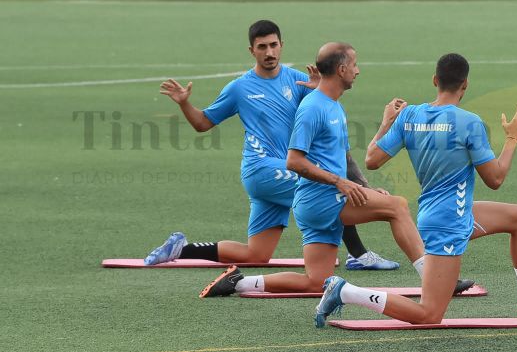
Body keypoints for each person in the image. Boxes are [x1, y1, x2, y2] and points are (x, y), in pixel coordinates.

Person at [314, 53, 517, 327]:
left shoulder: (409, 115)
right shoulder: (469, 123)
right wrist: (512, 138)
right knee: (429, 314)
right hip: (449, 223)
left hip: (446, 213)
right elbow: (495, 179)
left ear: (435, 80)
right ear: (465, 85)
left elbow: (371, 159)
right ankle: (346, 292)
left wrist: (386, 124)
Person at [199, 43, 472, 298]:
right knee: (397, 207)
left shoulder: (333, 105)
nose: (357, 70)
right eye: (354, 64)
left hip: (317, 204)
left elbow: (345, 160)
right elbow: (294, 161)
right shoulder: (313, 107)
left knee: (316, 282)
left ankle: (239, 282)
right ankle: (437, 281)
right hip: (321, 199)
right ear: (341, 70)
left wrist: (366, 183)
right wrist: (339, 183)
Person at [144, 20, 399, 270]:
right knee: (325, 188)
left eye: (273, 45)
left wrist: (316, 90)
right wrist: (184, 103)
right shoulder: (239, 88)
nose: (269, 52)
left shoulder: (299, 80)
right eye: (262, 47)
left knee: (256, 254)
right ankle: (358, 254)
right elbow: (202, 123)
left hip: (280, 171)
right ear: (251, 50)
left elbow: (326, 113)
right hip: (262, 169)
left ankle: (181, 248)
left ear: (281, 45)